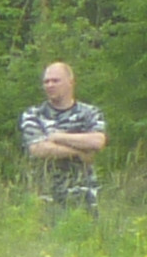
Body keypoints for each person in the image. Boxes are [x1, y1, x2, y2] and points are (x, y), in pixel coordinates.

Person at [16, 62, 106, 211]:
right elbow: (38, 149)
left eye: (55, 81)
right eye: (46, 81)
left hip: (84, 195)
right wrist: (80, 152)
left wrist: (57, 137)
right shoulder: (34, 114)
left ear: (70, 82)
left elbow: (97, 141)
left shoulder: (90, 113)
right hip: (45, 196)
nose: (50, 85)